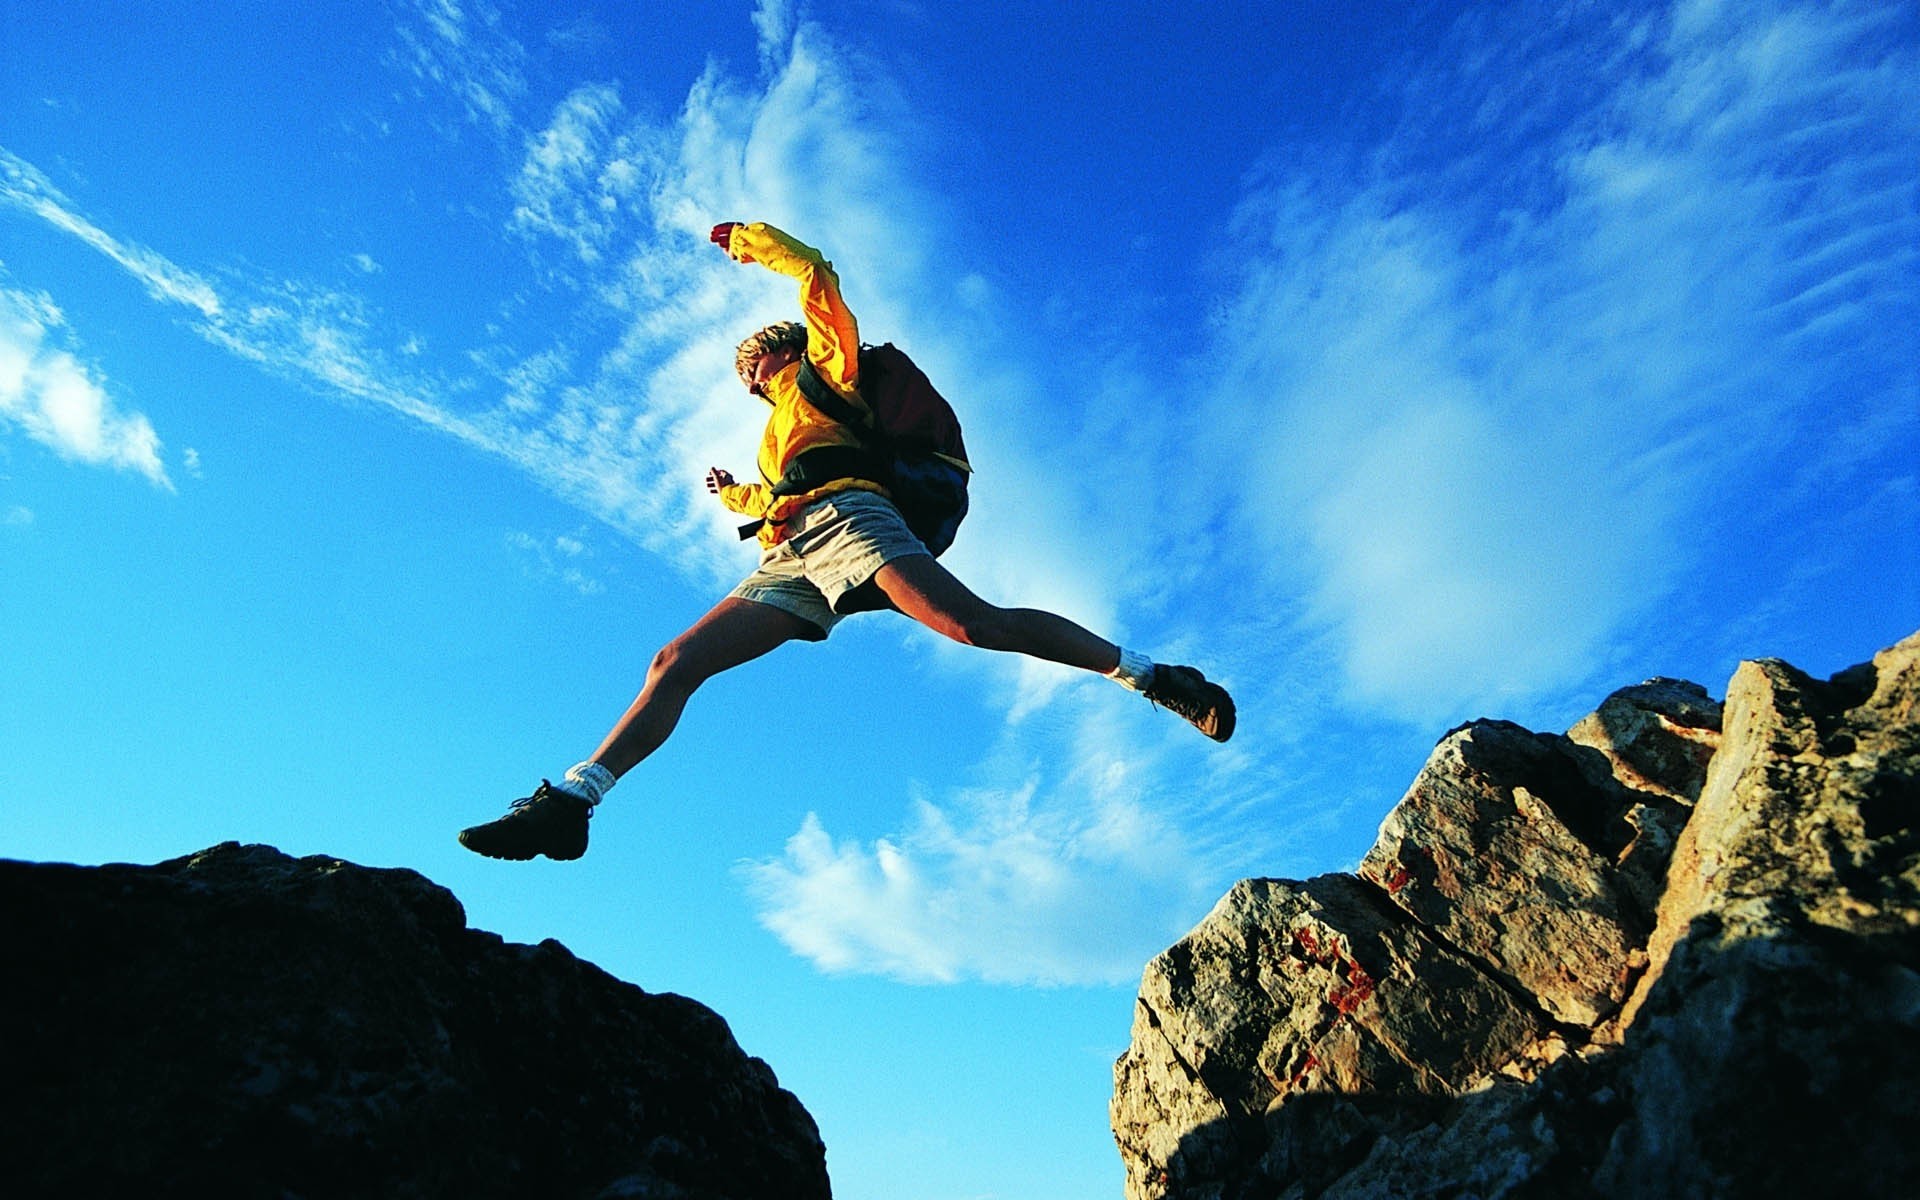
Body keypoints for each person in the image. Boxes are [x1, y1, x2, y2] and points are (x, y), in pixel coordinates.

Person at [458, 220, 1235, 862]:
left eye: (756, 366)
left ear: (785, 349)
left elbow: (817, 276)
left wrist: (754, 242)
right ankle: (571, 803)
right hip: (791, 550)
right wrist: (735, 495)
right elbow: (780, 494)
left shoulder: (829, 367)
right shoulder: (776, 431)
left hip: (853, 519)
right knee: (675, 662)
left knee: (974, 625)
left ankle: (1155, 677)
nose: (751, 382)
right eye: (747, 379)